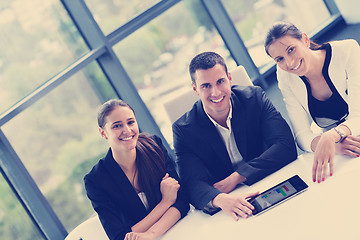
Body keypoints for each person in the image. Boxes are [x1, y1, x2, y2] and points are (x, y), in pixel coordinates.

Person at [172, 52, 297, 221]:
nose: (215, 92)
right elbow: (193, 185)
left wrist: (237, 177)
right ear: (195, 89)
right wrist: (220, 199)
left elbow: (285, 146)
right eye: (206, 86)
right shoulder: (184, 131)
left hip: (269, 182)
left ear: (229, 79)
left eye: (220, 81)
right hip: (228, 205)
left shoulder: (254, 98)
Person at [264, 22, 360, 184]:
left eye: (291, 50)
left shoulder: (347, 50)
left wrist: (331, 136)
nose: (289, 63)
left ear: (305, 40)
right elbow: (301, 134)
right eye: (279, 59)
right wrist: (333, 146)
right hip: (346, 146)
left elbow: (358, 114)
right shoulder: (284, 76)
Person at [84, 99, 189, 240]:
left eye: (130, 122)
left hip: (180, 230)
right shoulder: (96, 181)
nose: (127, 130)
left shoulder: (154, 146)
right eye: (117, 126)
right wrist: (165, 202)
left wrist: (150, 234)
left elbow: (182, 200)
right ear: (103, 133)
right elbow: (119, 236)